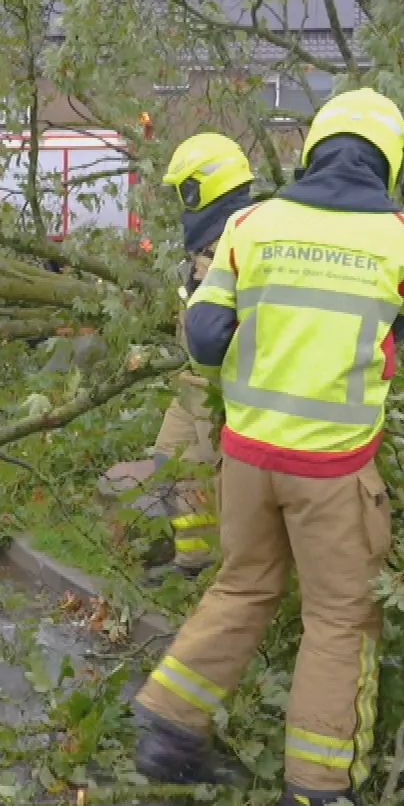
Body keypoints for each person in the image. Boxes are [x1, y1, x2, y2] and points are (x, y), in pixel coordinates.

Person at [130, 88, 404, 806]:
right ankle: (319, 798)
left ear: (314, 147)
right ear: (389, 160)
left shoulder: (249, 224)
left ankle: (170, 723)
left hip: (245, 458)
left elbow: (203, 339)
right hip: (333, 471)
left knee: (243, 584)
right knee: (337, 619)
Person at [142, 133, 257, 579]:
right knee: (171, 461)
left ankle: (236, 580)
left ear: (201, 186)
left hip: (225, 382)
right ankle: (193, 562)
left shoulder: (244, 233)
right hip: (195, 379)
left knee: (226, 481)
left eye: (183, 189)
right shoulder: (215, 234)